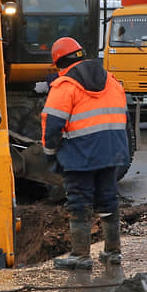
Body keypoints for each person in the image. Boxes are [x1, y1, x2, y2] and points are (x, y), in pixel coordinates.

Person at [41, 37, 130, 270]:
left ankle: (80, 255)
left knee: (80, 202)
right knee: (108, 199)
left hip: (80, 156)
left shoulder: (65, 86)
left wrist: (50, 152)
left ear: (58, 62)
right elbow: (123, 117)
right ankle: (113, 252)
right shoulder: (111, 80)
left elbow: (52, 125)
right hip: (112, 152)